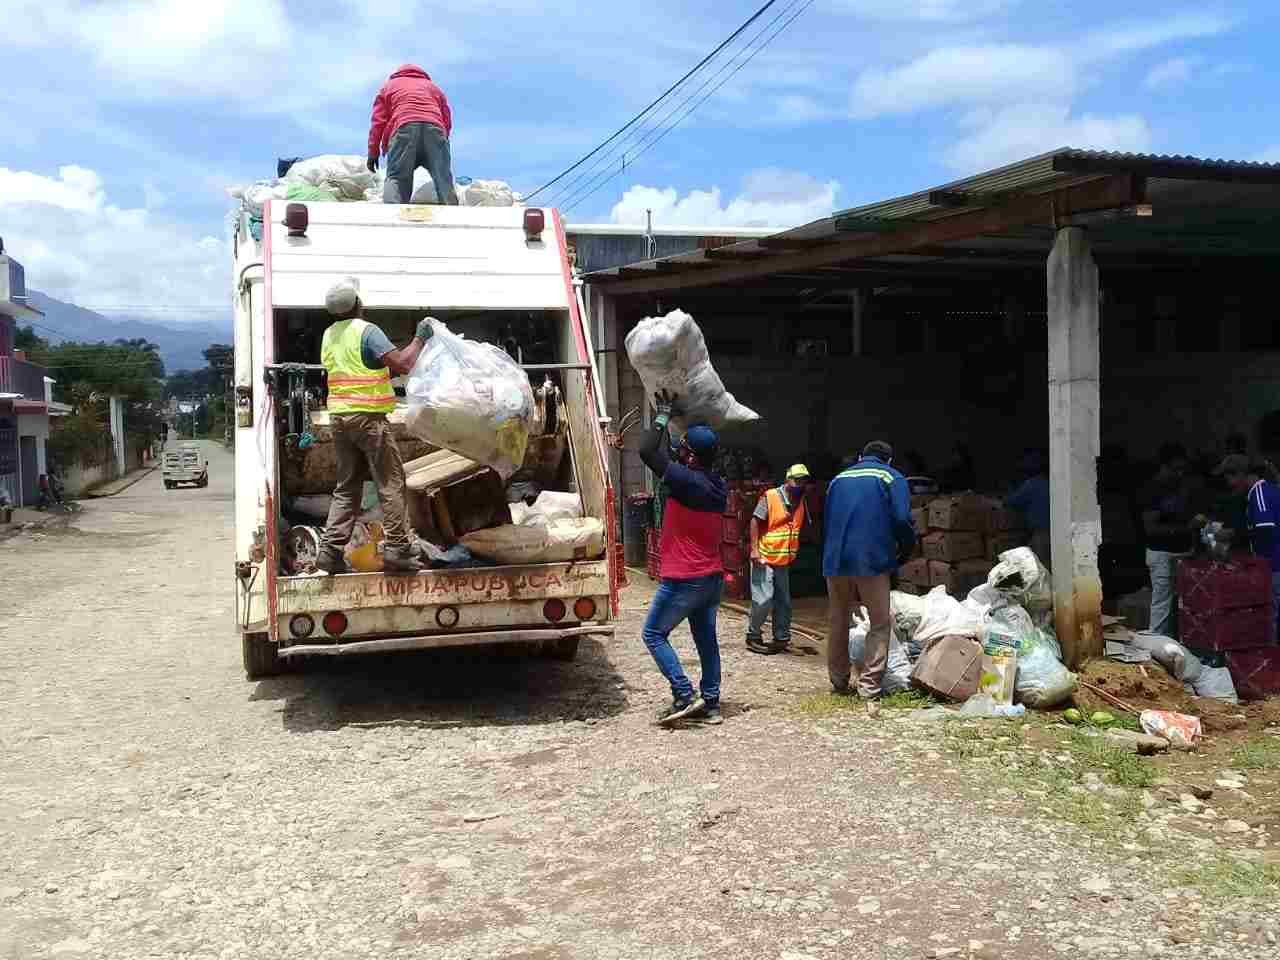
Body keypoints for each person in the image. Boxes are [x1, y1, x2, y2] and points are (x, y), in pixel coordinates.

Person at [315, 278, 435, 575]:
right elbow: (403, 365)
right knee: (390, 483)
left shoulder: (329, 334)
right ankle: (397, 551)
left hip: (340, 420)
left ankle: (329, 552)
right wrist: (420, 338)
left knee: (347, 488)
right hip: (368, 419)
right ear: (358, 304)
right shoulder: (366, 331)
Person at [638, 390, 728, 726]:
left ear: (690, 456)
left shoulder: (687, 480)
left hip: (685, 578)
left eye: (684, 449)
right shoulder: (717, 485)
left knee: (653, 634)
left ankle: (684, 693)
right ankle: (712, 703)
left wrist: (662, 414)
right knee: (706, 640)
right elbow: (667, 456)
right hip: (711, 578)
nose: (678, 452)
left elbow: (647, 450)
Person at [823, 441, 916, 698]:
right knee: (879, 622)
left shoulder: (838, 480)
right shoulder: (891, 476)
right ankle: (869, 686)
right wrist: (905, 551)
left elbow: (828, 518)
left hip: (835, 559)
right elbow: (901, 518)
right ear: (888, 460)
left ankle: (839, 681)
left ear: (861, 456)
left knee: (838, 619)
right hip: (871, 559)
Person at [367, 64, 457, 206]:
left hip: (404, 130)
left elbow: (378, 122)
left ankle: (393, 217)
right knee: (443, 178)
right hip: (435, 130)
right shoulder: (434, 88)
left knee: (397, 177)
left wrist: (373, 152)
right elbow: (447, 119)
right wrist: (441, 142)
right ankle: (453, 216)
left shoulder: (389, 86)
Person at [746, 464, 812, 655]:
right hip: (764, 556)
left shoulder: (802, 500)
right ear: (787, 480)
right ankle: (753, 635)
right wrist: (754, 550)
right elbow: (754, 521)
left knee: (783, 601)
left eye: (803, 481)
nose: (800, 484)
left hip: (783, 558)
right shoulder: (771, 496)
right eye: (796, 480)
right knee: (763, 599)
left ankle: (781, 638)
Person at [1140, 442, 1204, 638]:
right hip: (1162, 554)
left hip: (1183, 553)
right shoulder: (1152, 489)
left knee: (1185, 606)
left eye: (1182, 469)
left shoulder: (1181, 488)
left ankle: (1178, 648)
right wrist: (1187, 528)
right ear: (1164, 466)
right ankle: (1157, 650)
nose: (1180, 474)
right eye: (1175, 469)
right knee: (1162, 607)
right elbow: (1151, 529)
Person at [1219, 455, 1280, 630]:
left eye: (1229, 478)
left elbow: (1265, 528)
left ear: (1241, 475)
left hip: (1274, 567)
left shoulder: (1259, 493)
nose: (1229, 484)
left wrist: (1232, 534)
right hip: (1272, 566)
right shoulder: (1269, 490)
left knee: (1270, 622)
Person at [1007, 449, 1051, 568]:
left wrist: (1009, 488)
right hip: (1054, 533)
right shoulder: (1050, 483)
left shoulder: (1031, 484)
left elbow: (1011, 501)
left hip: (1041, 533)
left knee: (1040, 568)